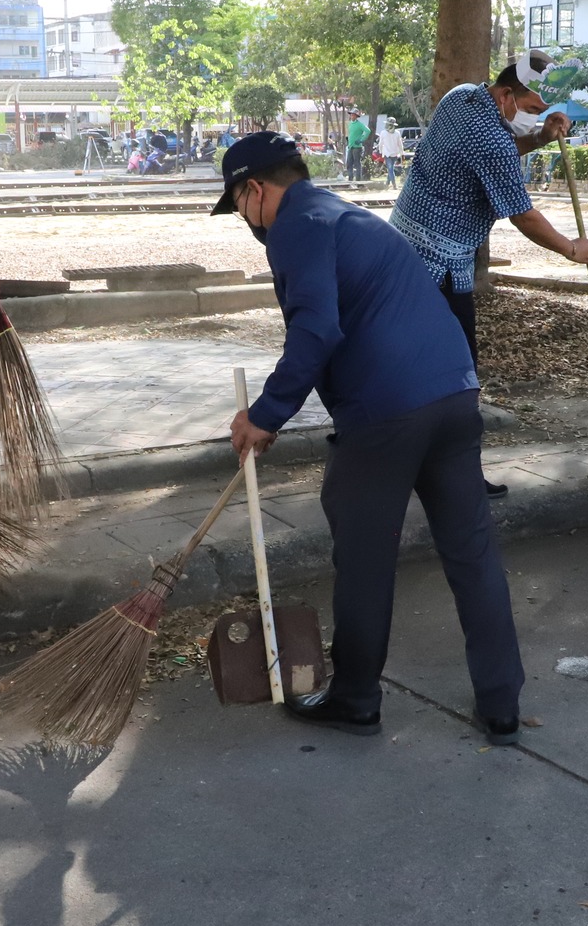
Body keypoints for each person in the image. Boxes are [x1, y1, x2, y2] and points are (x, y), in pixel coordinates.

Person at [215, 133, 526, 741]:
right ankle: (502, 704)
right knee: (472, 553)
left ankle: (356, 697)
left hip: (386, 413)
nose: (243, 221)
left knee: (364, 557)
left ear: (254, 189)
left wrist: (265, 414)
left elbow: (316, 331)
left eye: (238, 206)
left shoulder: (296, 225)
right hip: (455, 395)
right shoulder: (343, 212)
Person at [390, 49, 588, 496]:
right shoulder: (492, 140)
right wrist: (571, 249)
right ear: (506, 95)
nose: (535, 115)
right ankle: (455, 474)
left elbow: (494, 155)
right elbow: (522, 213)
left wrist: (540, 135)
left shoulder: (462, 96)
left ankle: (387, 447)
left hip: (401, 247)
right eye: (532, 109)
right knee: (458, 373)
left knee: (404, 358)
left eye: (542, 111)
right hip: (438, 263)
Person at [377, 121, 404, 189]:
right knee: (390, 168)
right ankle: (387, 183)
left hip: (389, 154)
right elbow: (400, 144)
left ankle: (394, 184)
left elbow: (380, 144)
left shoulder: (384, 133)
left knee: (390, 169)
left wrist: (380, 151)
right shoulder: (397, 133)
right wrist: (401, 153)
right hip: (392, 154)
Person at [345, 110, 372, 181]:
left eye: (353, 115)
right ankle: (350, 179)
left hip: (357, 147)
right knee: (349, 164)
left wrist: (362, 140)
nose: (352, 116)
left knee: (357, 164)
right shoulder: (350, 124)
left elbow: (368, 131)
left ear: (356, 116)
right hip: (351, 146)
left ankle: (358, 180)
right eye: (351, 115)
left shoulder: (359, 124)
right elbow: (351, 134)